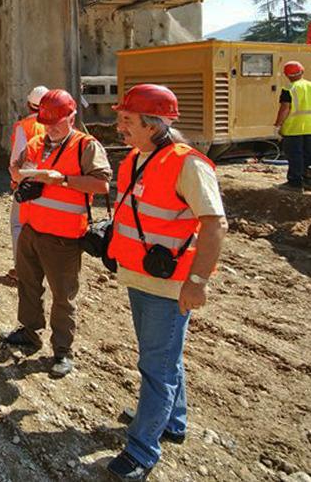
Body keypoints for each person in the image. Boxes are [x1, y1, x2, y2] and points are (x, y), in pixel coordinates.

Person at [103, 84, 228, 481]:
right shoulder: (137, 158)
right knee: (162, 358)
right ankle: (172, 421)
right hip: (140, 278)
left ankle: (141, 449)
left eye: (127, 120)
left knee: (156, 366)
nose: (118, 126)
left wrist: (198, 281)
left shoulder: (188, 165)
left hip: (170, 286)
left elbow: (215, 224)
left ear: (154, 125)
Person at [0, 89, 111, 377]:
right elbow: (17, 166)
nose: (50, 128)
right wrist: (18, 173)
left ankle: (63, 350)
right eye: (46, 122)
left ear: (72, 117)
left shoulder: (86, 146)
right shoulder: (37, 142)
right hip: (32, 229)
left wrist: (62, 180)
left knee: (63, 296)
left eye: (57, 122)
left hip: (63, 237)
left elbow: (101, 185)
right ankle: (29, 331)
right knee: (28, 284)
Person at [7, 86, 49, 280]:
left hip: (27, 182)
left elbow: (17, 157)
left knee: (18, 224)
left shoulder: (24, 126)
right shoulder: (58, 125)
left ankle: (21, 269)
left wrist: (15, 179)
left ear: (28, 105)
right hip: (49, 182)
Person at [274, 61, 311, 191]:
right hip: (310, 128)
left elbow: (285, 108)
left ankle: (294, 183)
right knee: (308, 155)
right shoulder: (310, 86)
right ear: (302, 71)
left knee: (295, 155)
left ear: (287, 75)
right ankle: (308, 181)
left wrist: (277, 125)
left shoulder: (289, 88)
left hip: (293, 128)